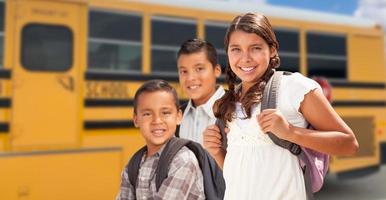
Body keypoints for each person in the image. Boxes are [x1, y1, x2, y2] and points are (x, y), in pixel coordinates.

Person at [203, 13, 359, 200]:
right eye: (236, 49)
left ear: (272, 50)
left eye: (255, 48)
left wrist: (290, 132)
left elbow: (349, 144)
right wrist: (217, 151)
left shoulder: (293, 87)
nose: (245, 58)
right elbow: (239, 173)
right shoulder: (229, 101)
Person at [116, 80, 205, 200]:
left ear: (179, 117)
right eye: (147, 114)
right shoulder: (133, 165)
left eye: (165, 113)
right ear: (136, 120)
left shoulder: (183, 160)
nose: (157, 120)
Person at [177, 38, 225, 144]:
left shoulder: (236, 109)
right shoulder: (177, 116)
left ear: (217, 70)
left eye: (199, 69)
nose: (190, 78)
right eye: (184, 71)